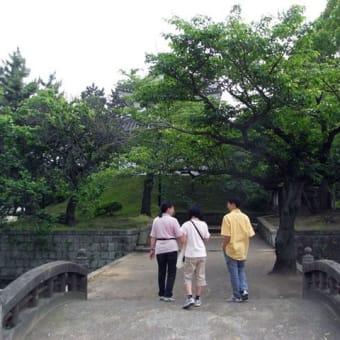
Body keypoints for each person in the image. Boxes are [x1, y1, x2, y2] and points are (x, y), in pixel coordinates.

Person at [221, 197, 255, 302]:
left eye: (228, 203)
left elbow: (227, 236)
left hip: (231, 249)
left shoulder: (227, 218)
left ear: (232, 204)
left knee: (234, 273)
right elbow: (251, 234)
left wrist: (223, 245)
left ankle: (237, 295)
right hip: (243, 249)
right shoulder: (245, 217)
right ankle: (244, 290)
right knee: (241, 270)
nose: (227, 205)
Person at [149, 201, 184, 302]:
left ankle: (161, 293)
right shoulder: (173, 220)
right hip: (171, 247)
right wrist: (184, 244)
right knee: (171, 272)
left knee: (161, 271)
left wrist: (152, 249)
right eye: (173, 208)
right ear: (168, 209)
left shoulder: (156, 220)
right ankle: (168, 294)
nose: (173, 210)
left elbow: (153, 236)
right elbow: (179, 235)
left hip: (160, 248)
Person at [181, 205, 210, 309]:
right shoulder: (204, 224)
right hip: (202, 254)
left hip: (190, 254)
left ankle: (189, 297)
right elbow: (206, 238)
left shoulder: (185, 225)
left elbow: (183, 241)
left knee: (188, 276)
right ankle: (198, 298)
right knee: (200, 277)